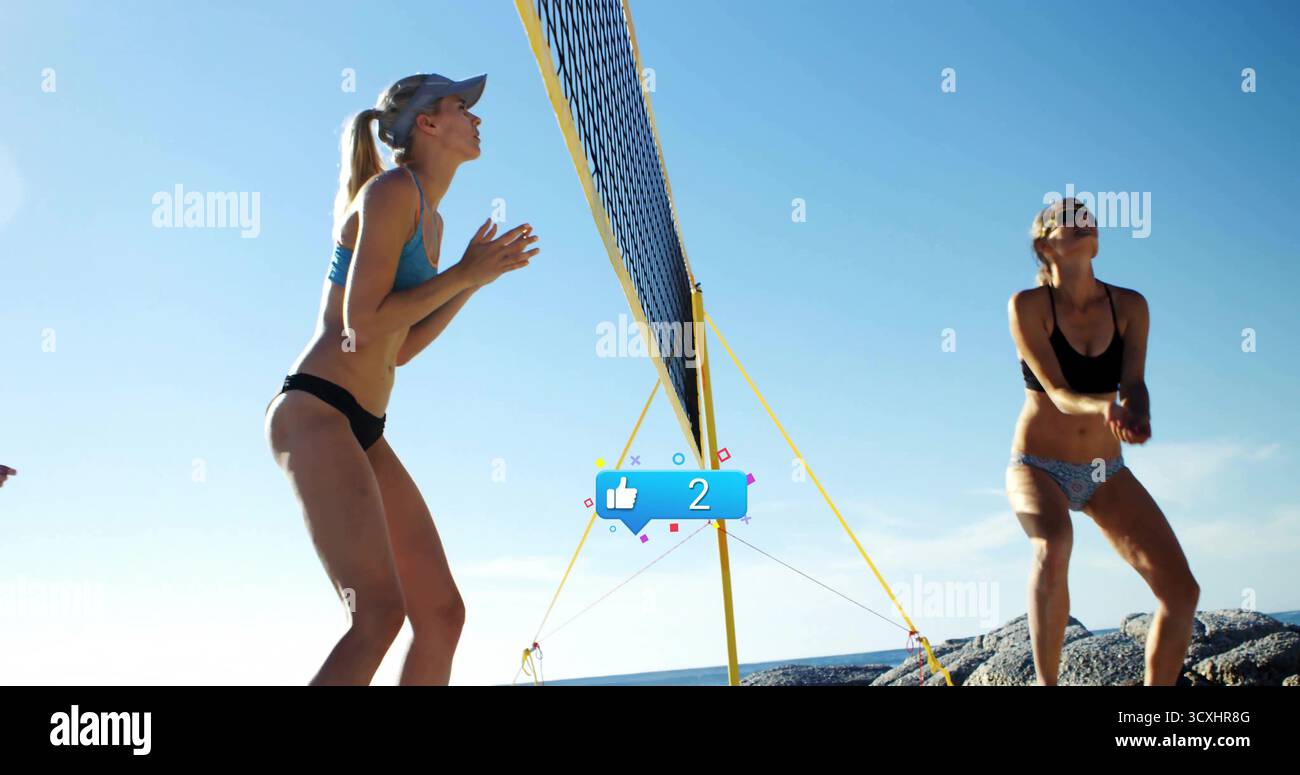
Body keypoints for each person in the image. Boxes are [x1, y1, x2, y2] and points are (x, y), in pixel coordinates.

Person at [264, 73, 540, 685]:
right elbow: (360, 323)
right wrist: (464, 273)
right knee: (378, 615)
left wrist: (471, 282)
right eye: (461, 107)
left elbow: (402, 346)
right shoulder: (391, 191)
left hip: (361, 424)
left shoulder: (430, 219)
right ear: (428, 124)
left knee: (441, 615)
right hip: (317, 410)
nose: (476, 118)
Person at [1006, 197, 1198, 685]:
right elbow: (1059, 392)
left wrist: (1139, 409)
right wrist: (1104, 407)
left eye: (1087, 215)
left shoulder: (1130, 305)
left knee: (1181, 592)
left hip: (1104, 471)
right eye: (1069, 219)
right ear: (1045, 244)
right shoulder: (1028, 306)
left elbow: (1133, 379)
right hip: (1038, 466)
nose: (1084, 220)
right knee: (1054, 545)